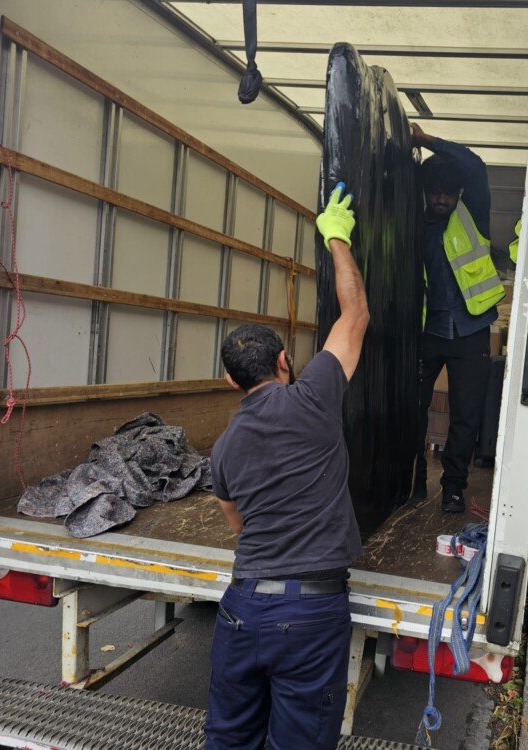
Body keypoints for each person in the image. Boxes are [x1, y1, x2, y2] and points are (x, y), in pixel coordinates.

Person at [203, 183, 368, 750]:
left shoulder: (221, 452)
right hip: (314, 612)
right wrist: (337, 238)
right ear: (284, 362)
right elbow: (355, 313)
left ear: (230, 382)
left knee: (228, 739)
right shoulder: (315, 395)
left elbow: (239, 528)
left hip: (242, 609)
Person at [412, 124, 505, 513]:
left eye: (448, 194)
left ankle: (453, 488)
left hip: (470, 330)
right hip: (427, 332)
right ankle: (414, 479)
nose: (441, 200)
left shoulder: (475, 215)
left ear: (459, 194)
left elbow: (475, 165)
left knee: (465, 415)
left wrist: (428, 141)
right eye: (435, 192)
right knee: (411, 405)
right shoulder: (412, 222)